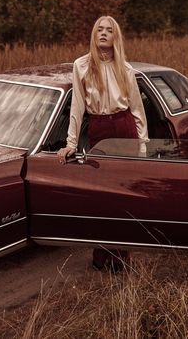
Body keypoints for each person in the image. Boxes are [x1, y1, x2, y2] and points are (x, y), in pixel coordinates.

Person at [58, 15, 149, 273]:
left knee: (124, 194)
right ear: (94, 34)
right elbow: (76, 105)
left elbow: (137, 110)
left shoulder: (126, 69)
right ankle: (102, 254)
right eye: (100, 29)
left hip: (124, 127)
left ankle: (121, 258)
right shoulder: (82, 65)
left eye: (110, 30)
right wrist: (71, 143)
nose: (104, 33)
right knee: (104, 196)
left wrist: (142, 147)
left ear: (115, 37)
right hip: (99, 128)